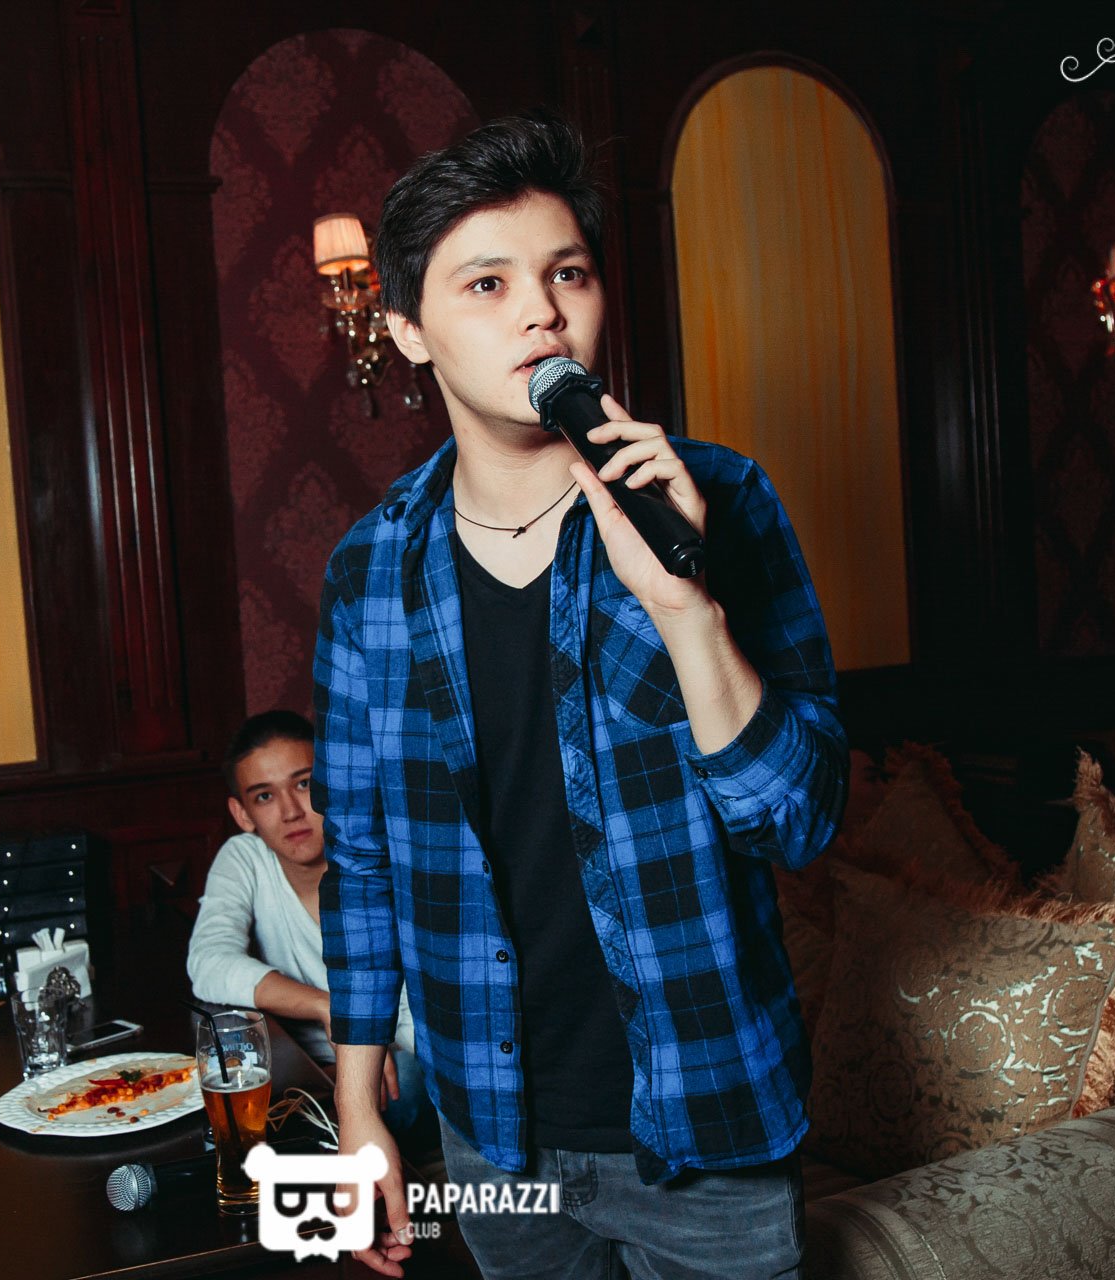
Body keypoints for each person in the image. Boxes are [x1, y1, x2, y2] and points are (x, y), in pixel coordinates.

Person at [312, 111, 847, 1280]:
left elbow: (796, 820)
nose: (542, 313)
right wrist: (358, 1107)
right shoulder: (371, 568)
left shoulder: (720, 501)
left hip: (707, 1115)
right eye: (488, 283)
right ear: (408, 331)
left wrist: (685, 606)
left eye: (568, 274)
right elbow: (360, 860)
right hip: (494, 1131)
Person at [186, 710, 426, 1134]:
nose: (291, 812)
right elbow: (208, 962)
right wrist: (327, 1006)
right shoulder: (245, 858)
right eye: (265, 796)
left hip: (399, 1058)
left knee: (402, 1080)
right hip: (304, 1066)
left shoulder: (384, 851)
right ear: (243, 814)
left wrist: (356, 1057)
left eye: (304, 784)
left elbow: (418, 1029)